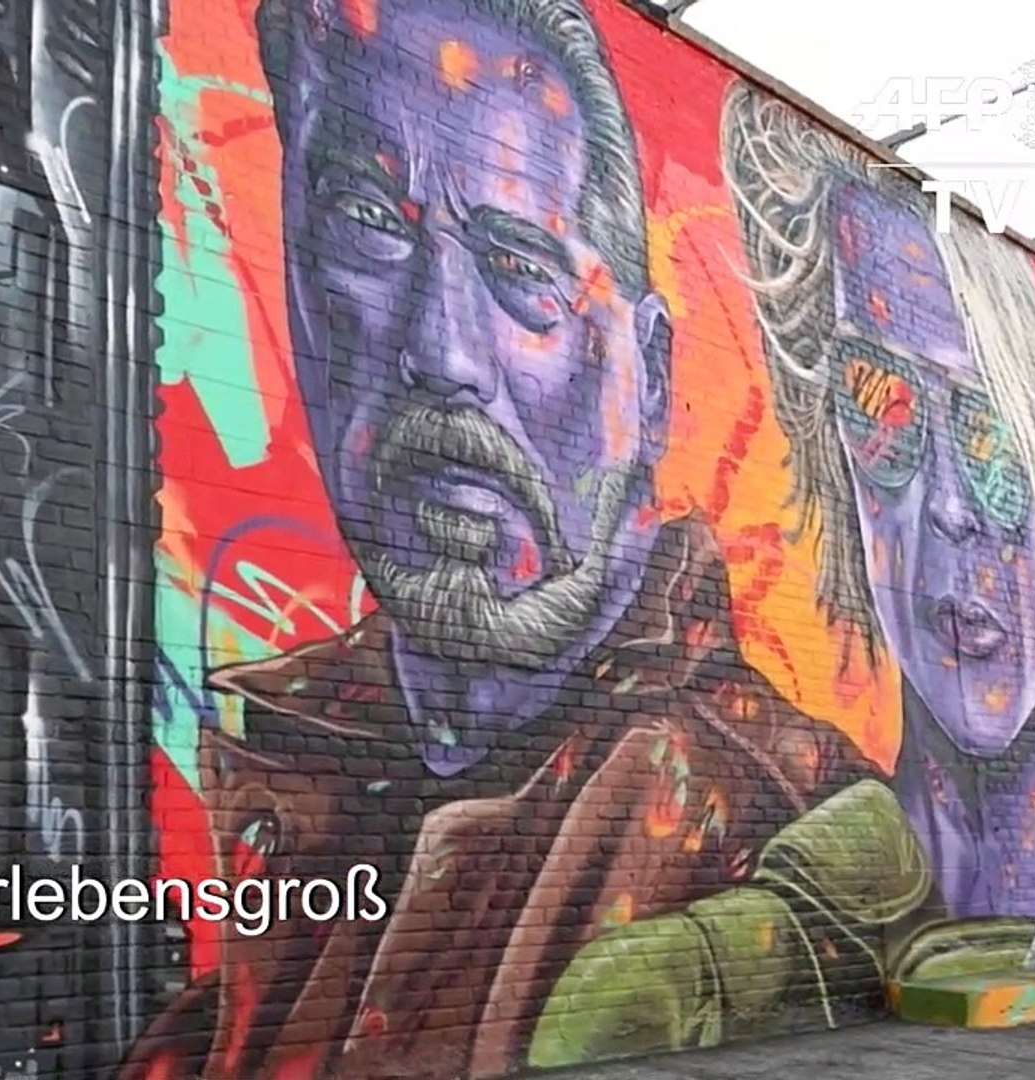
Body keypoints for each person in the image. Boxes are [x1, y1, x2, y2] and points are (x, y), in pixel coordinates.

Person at [121, 7, 878, 1078]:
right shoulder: (299, 761)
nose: (443, 352)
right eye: (367, 221)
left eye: (523, 268)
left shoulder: (766, 822)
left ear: (651, 379)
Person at [520, 81, 1035, 1069]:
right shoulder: (773, 926)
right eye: (880, 408)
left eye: (990, 436)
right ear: (838, 465)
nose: (949, 505)